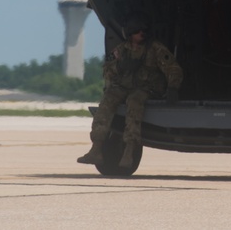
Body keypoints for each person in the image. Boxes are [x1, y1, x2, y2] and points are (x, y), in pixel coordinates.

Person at [77, 14, 183, 168]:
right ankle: (96, 148)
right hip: (124, 86)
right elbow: (107, 69)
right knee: (108, 100)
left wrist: (173, 88)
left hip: (147, 88)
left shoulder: (155, 49)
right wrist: (119, 67)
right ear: (130, 33)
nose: (141, 33)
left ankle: (129, 151)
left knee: (134, 102)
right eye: (137, 31)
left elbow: (173, 69)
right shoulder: (122, 50)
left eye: (142, 31)